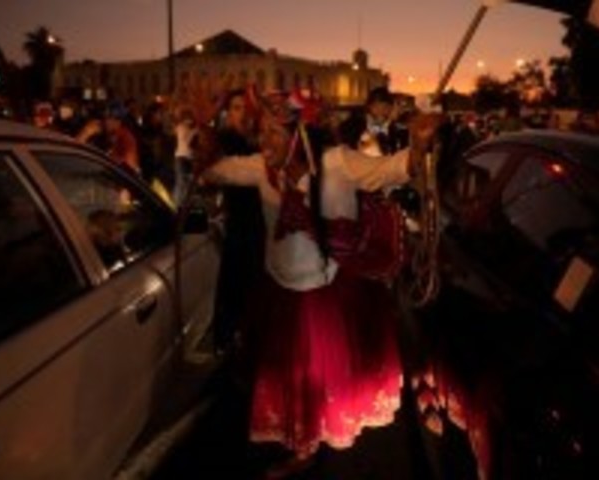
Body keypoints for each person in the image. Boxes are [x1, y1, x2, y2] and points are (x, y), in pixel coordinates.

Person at [178, 106, 438, 475]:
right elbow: (215, 170)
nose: (263, 141)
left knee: (321, 378)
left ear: (299, 135)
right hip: (280, 289)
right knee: (291, 377)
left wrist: (418, 145)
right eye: (262, 132)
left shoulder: (337, 162)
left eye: (273, 133)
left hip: (329, 293)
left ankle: (313, 446)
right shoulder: (260, 168)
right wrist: (202, 138)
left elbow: (390, 169)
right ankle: (303, 445)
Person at [211, 89, 265, 355]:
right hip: (241, 223)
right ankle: (231, 338)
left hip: (263, 221)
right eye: (235, 108)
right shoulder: (224, 140)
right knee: (237, 282)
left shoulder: (260, 142)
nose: (241, 113)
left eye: (246, 108)